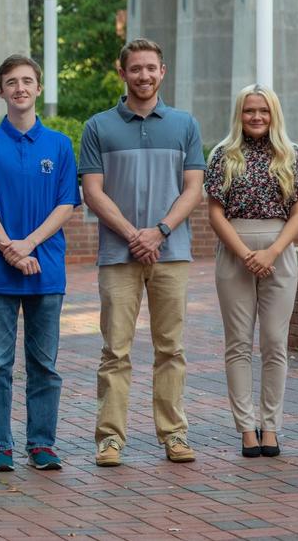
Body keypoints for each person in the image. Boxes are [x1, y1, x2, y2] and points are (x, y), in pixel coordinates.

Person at [80, 38, 205, 467]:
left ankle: (173, 434)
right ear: (123, 73)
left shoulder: (184, 124)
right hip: (118, 255)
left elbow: (194, 188)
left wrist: (160, 231)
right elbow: (93, 192)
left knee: (170, 348)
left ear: (162, 72)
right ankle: (110, 439)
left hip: (172, 253)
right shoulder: (98, 126)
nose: (144, 75)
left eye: (151, 68)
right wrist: (136, 234)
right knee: (115, 350)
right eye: (136, 69)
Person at [0, 55, 80, 472]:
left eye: (27, 81)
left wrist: (29, 245)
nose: (20, 88)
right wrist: (9, 251)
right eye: (11, 82)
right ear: (1, 91)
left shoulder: (59, 144)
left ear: (39, 88)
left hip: (46, 269)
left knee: (44, 365)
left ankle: (42, 444)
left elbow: (66, 203)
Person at [205, 84, 298, 458]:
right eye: (249, 110)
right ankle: (247, 428)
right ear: (239, 114)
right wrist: (247, 253)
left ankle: (272, 426)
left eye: (263, 111)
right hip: (236, 249)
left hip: (279, 250)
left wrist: (272, 252)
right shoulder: (223, 155)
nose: (256, 117)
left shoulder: (292, 154)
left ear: (274, 114)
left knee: (274, 343)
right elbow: (215, 212)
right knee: (238, 343)